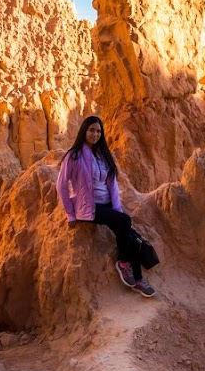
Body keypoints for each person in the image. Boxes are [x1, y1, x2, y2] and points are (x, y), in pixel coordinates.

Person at [56, 115, 156, 298]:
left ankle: (138, 280)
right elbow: (61, 185)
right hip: (89, 207)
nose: (95, 134)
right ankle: (124, 264)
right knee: (125, 221)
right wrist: (70, 214)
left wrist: (116, 209)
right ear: (84, 131)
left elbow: (112, 185)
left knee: (129, 235)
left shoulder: (103, 155)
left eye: (98, 131)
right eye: (91, 130)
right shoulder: (74, 156)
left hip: (106, 205)